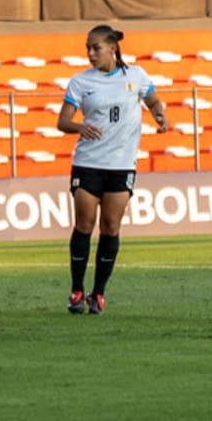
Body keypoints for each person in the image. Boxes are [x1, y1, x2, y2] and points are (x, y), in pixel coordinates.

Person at [56, 24, 167, 315]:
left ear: (112, 48)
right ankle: (77, 289)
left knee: (111, 227)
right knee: (84, 225)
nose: (91, 53)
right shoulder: (80, 82)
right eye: (88, 49)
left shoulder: (136, 76)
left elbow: (153, 99)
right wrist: (80, 126)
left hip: (121, 165)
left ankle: (99, 293)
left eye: (96, 48)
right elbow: (62, 121)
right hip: (88, 163)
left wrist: (158, 114)